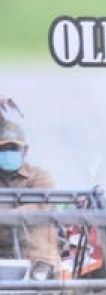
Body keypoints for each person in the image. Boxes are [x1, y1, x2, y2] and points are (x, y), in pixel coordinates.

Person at [0, 118, 58, 276]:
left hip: (29, 244)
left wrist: (9, 216)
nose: (7, 153)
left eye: (13, 148)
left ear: (25, 151)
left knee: (42, 219)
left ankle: (42, 270)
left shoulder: (39, 176)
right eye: (3, 148)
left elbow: (42, 205)